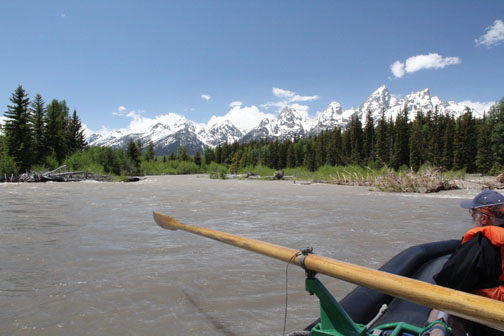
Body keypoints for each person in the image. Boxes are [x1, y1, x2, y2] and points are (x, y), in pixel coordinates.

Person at [428, 189, 504, 336]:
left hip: (489, 316)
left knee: (443, 308)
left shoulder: (480, 244)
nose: (472, 217)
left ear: (483, 219)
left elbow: (449, 280)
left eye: (473, 212)